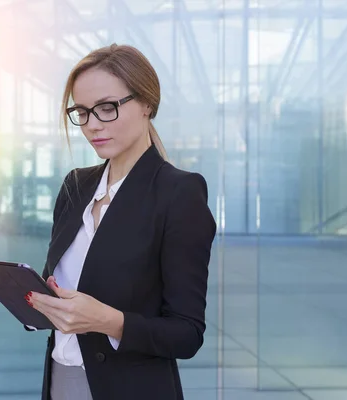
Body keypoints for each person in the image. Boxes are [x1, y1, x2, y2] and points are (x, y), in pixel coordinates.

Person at [24, 43, 217, 400]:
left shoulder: (179, 194)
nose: (92, 125)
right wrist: (42, 301)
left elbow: (187, 333)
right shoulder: (76, 186)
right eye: (82, 112)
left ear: (146, 104)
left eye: (107, 108)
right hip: (61, 383)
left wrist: (107, 321)